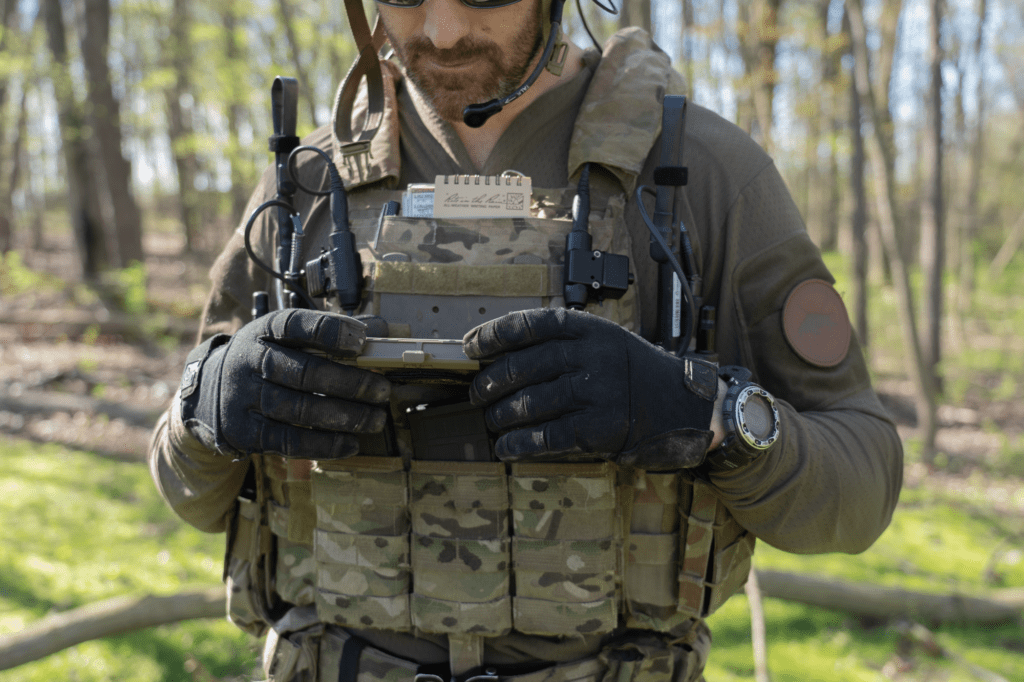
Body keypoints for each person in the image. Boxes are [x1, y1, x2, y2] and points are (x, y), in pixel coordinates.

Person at [148, 0, 904, 678]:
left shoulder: (698, 177)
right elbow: (190, 488)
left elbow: (863, 482)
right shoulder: (306, 186)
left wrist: (700, 416)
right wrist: (205, 408)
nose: (441, 30)